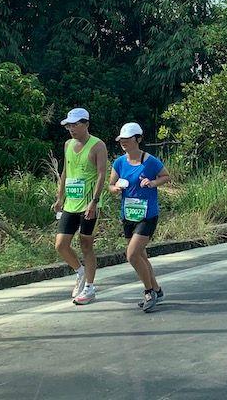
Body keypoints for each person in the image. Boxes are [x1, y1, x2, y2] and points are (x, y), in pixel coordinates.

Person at [108, 122, 170, 312]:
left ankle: (149, 291)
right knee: (141, 255)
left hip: (147, 214)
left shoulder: (150, 161)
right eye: (122, 140)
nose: (124, 143)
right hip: (128, 214)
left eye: (128, 139)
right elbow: (110, 185)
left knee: (132, 254)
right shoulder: (119, 162)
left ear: (138, 139)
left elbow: (166, 176)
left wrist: (152, 183)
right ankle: (158, 290)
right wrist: (115, 188)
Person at [51, 108, 108, 305]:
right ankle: (80, 272)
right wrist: (59, 198)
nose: (71, 129)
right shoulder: (68, 144)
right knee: (61, 244)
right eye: (69, 125)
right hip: (70, 203)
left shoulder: (98, 145)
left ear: (86, 124)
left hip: (88, 205)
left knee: (86, 244)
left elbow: (102, 174)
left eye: (75, 125)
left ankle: (90, 288)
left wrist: (94, 201)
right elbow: (66, 172)